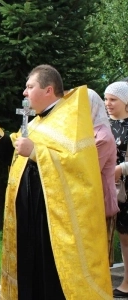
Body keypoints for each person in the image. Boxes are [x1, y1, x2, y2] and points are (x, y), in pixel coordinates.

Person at [0, 64, 112, 299]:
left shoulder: (69, 121)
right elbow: (14, 151)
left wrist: (36, 151)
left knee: (49, 277)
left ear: (48, 90)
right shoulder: (36, 122)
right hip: (28, 216)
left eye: (30, 87)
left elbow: (78, 167)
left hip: (53, 220)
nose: (24, 92)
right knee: (29, 272)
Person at [87, 88, 119, 268]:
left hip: (100, 203)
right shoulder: (91, 130)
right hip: (90, 201)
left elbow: (88, 169)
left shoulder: (102, 136)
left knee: (97, 260)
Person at [104, 81, 128, 298]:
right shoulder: (104, 124)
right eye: (106, 99)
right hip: (108, 187)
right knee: (120, 235)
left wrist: (122, 168)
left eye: (113, 99)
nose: (108, 103)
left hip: (125, 187)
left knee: (127, 236)